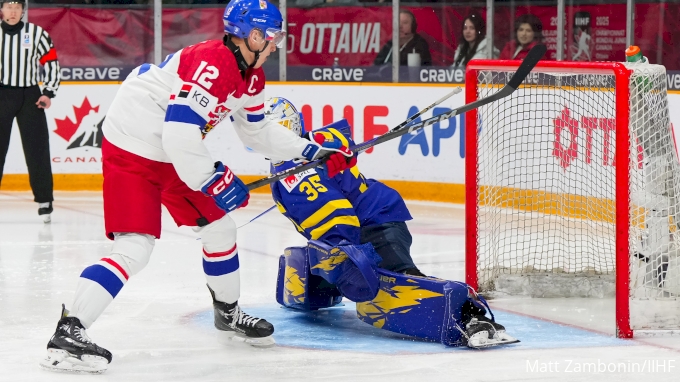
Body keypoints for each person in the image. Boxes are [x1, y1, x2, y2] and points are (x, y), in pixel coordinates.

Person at [39, 0, 356, 374]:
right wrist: (211, 178)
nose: (275, 45)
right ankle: (69, 330)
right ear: (253, 35)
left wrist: (313, 150)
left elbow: (256, 130)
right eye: (271, 37)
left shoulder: (251, 75)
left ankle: (228, 314)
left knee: (220, 230)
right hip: (133, 145)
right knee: (135, 246)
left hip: (175, 151)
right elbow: (179, 132)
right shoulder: (213, 63)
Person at [265, 97, 519, 349]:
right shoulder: (314, 144)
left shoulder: (294, 176)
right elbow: (339, 137)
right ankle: (321, 289)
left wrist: (347, 261)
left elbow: (339, 220)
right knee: (317, 259)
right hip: (379, 209)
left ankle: (470, 317)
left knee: (399, 281)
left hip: (374, 224)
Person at [0, 0, 60, 223]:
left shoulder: (36, 33)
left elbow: (51, 62)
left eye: (17, 8)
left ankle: (45, 200)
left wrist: (48, 92)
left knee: (37, 149)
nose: (13, 12)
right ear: (2, 10)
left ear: (23, 11)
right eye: (9, 7)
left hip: (30, 96)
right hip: (1, 94)